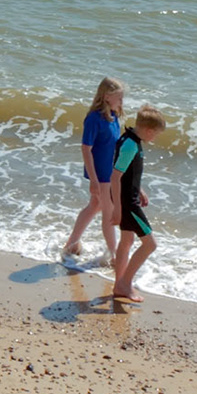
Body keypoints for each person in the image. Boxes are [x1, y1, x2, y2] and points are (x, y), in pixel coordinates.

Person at [60, 77, 124, 267]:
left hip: (110, 172)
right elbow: (86, 148)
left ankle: (71, 243)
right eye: (118, 98)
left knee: (95, 205)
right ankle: (114, 255)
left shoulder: (113, 116)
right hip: (100, 174)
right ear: (106, 97)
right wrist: (94, 180)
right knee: (108, 212)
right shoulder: (94, 119)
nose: (121, 102)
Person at [110, 105, 168, 302]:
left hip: (129, 198)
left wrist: (139, 189)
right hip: (127, 203)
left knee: (126, 241)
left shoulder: (130, 139)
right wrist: (118, 209)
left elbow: (128, 173)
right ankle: (125, 283)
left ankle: (119, 284)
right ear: (149, 130)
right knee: (150, 244)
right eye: (157, 134)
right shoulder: (130, 145)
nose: (155, 138)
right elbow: (115, 177)